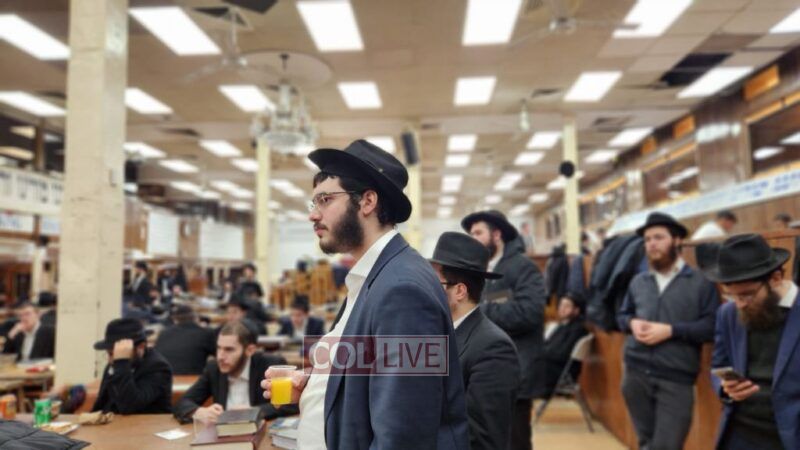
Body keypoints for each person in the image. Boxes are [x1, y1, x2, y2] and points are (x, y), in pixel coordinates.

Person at [261, 140, 468, 449]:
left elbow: (404, 435)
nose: (313, 215)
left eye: (325, 200)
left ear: (368, 201)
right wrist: (314, 386)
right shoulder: (371, 279)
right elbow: (370, 376)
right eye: (313, 203)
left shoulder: (403, 290)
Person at [617, 212, 720, 450]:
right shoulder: (638, 281)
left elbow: (711, 327)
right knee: (645, 444)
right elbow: (622, 316)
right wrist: (631, 323)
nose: (651, 244)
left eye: (658, 237)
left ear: (677, 240)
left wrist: (672, 331)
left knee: (667, 446)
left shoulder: (700, 282)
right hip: (635, 375)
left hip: (675, 378)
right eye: (647, 239)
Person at [704, 234, 800, 450]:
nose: (739, 304)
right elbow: (718, 366)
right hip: (739, 434)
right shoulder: (727, 313)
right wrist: (725, 388)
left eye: (747, 295)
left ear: (775, 278)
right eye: (731, 296)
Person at [461, 209, 547, 450]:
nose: (473, 239)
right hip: (482, 373)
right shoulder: (477, 271)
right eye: (470, 234)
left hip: (517, 373)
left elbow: (529, 312)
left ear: (496, 235)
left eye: (478, 233)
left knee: (515, 441)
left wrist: (479, 311)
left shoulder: (523, 267)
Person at [430, 231, 520, 450]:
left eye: (435, 282)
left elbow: (482, 439)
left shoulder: (494, 348)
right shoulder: (438, 333)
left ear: (459, 291)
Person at [173, 321, 296, 423]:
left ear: (250, 350)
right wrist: (199, 412)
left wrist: (254, 412)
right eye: (219, 348)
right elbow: (182, 403)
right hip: (224, 436)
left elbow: (291, 404)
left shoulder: (270, 366)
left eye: (229, 350)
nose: (220, 356)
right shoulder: (213, 368)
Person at [91, 318, 172, 414]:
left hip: (145, 422)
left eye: (116, 353)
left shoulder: (158, 367)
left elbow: (128, 406)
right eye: (109, 354)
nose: (110, 360)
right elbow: (103, 402)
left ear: (141, 347)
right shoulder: (116, 364)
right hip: (115, 421)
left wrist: (122, 362)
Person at [541, 292, 588, 398]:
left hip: (560, 372)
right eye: (561, 305)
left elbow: (562, 354)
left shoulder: (578, 329)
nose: (562, 309)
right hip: (550, 366)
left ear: (576, 310)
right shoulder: (562, 325)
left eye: (567, 306)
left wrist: (539, 352)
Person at [154, 305, 216, 375]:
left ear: (175, 320)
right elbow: (218, 354)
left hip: (163, 378)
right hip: (192, 378)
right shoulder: (206, 333)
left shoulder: (163, 333)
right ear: (195, 318)